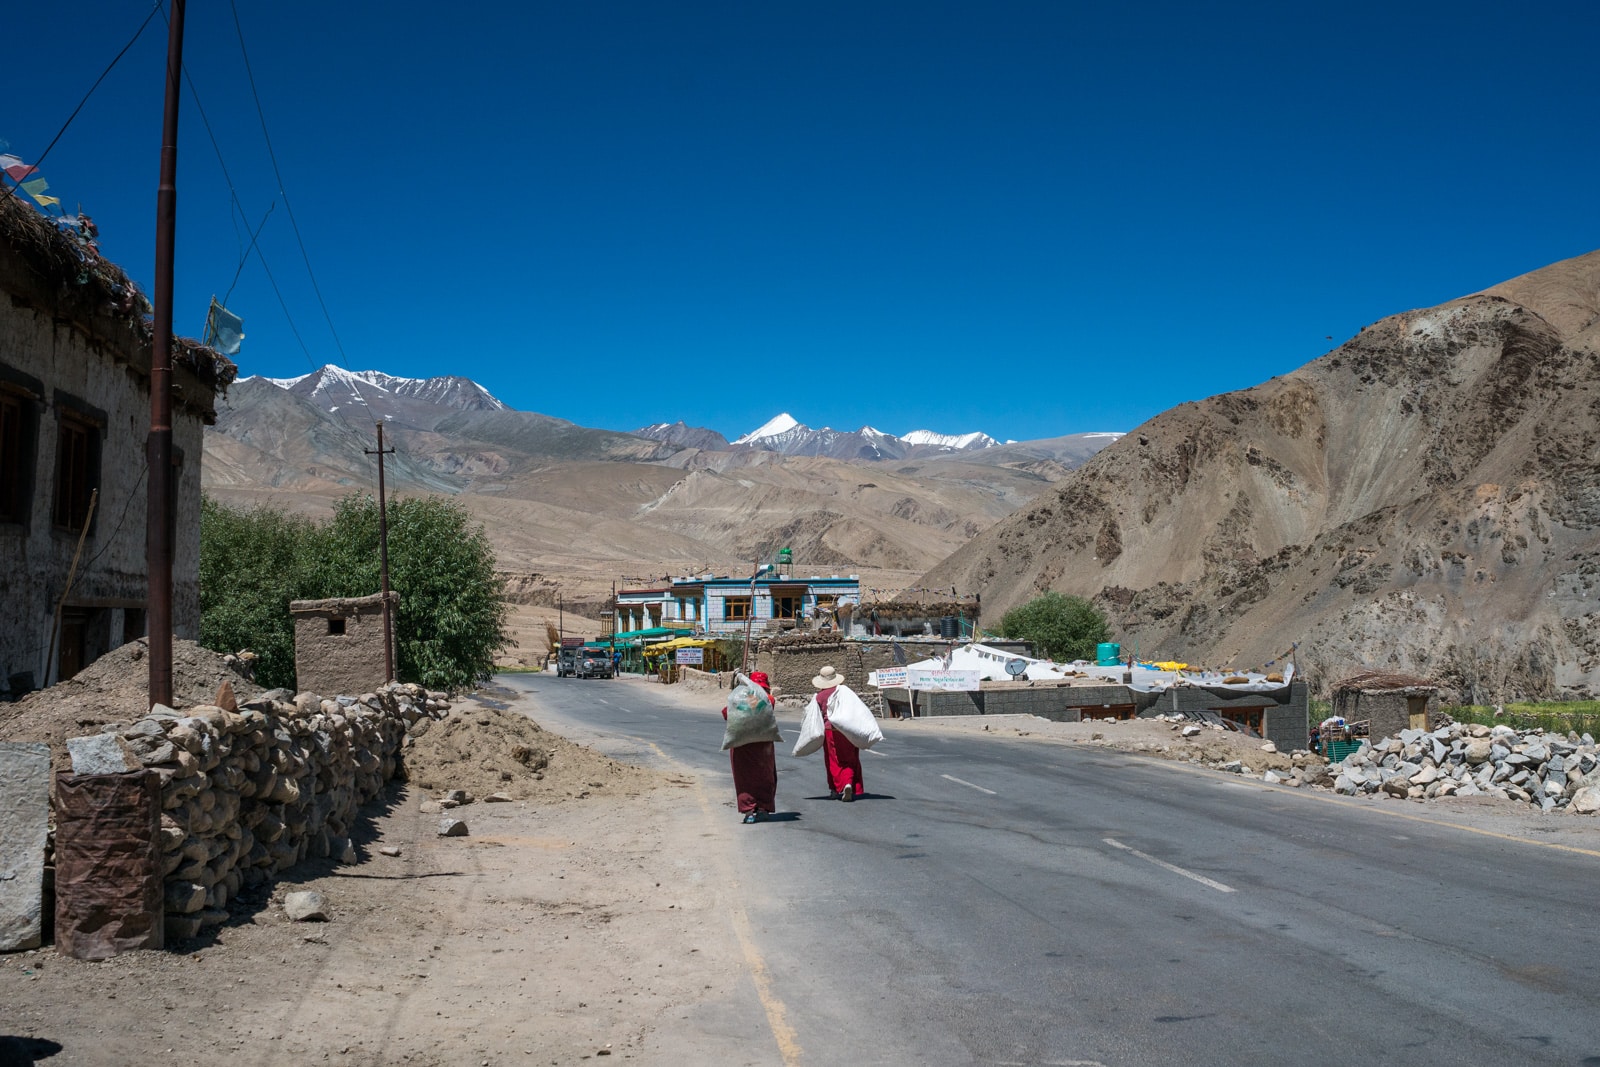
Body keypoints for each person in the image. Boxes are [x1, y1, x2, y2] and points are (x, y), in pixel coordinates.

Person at [723, 671, 778, 823]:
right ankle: (762, 807)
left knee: (744, 776)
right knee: (765, 775)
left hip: (741, 745)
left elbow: (726, 713)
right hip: (763, 745)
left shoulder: (740, 699)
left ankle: (749, 811)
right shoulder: (770, 700)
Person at [811, 665, 864, 801]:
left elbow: (816, 715)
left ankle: (834, 789)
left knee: (832, 761)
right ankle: (848, 783)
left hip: (829, 731)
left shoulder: (820, 696)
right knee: (849, 759)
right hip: (846, 730)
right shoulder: (845, 692)